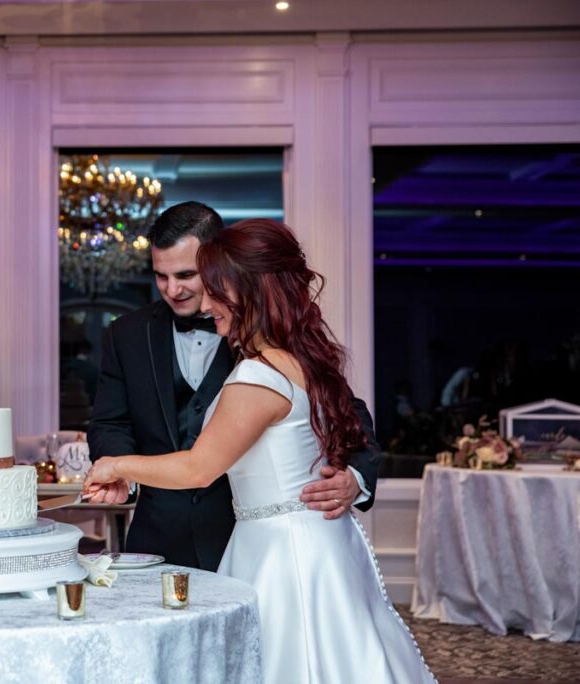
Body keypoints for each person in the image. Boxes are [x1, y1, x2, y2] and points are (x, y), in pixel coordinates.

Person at [85, 218, 434, 682]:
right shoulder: (300, 354)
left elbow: (199, 466)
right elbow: (111, 420)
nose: (199, 301)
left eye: (199, 281)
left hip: (277, 549)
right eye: (161, 276)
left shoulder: (257, 370)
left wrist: (115, 466)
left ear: (244, 286)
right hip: (188, 536)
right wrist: (116, 461)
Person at [87, 201, 381, 570]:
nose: (172, 289)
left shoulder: (272, 342)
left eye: (187, 275)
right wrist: (123, 477)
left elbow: (345, 412)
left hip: (249, 536)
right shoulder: (126, 334)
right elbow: (109, 423)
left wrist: (356, 477)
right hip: (160, 534)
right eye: (161, 276)